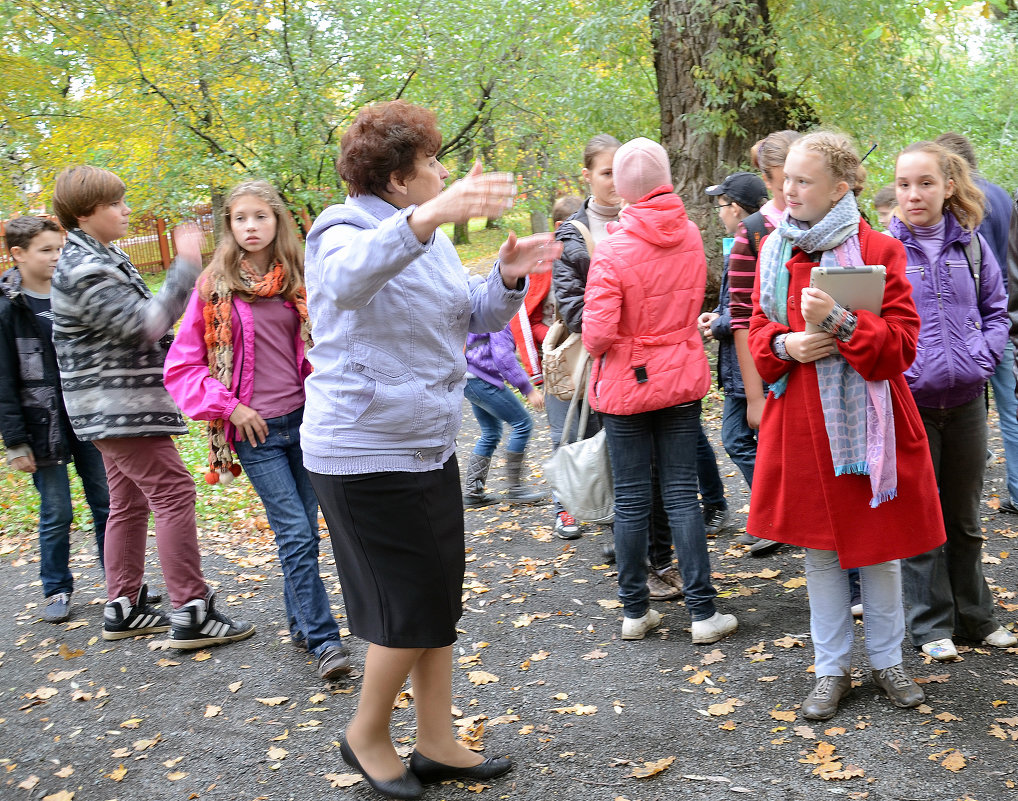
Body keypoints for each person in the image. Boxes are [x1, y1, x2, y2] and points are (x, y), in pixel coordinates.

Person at [300, 100, 558, 799]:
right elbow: (352, 279)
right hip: (362, 452)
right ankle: (366, 732)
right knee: (406, 607)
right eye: (432, 164)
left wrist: (506, 277)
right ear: (396, 179)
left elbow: (467, 316)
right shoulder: (340, 229)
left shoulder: (428, 235)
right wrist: (432, 215)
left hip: (425, 444)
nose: (443, 173)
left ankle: (437, 739)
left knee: (438, 601)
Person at [748, 131, 947, 720]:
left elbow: (902, 348)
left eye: (803, 182)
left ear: (840, 189)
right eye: (786, 181)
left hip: (871, 426)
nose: (789, 191)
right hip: (801, 425)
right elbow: (758, 334)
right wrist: (787, 344)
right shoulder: (774, 251)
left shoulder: (880, 248)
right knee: (821, 555)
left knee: (880, 551)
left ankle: (888, 662)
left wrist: (838, 321)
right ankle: (831, 670)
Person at [49, 165, 255, 650]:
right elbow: (146, 324)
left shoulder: (101, 258)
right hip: (118, 410)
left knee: (128, 501)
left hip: (116, 409)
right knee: (174, 493)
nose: (126, 210)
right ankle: (192, 610)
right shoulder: (85, 269)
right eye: (116, 204)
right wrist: (185, 265)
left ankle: (123, 606)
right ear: (85, 213)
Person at [163, 180, 349, 681]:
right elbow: (182, 367)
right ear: (229, 226)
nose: (251, 226)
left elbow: (332, 343)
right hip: (257, 434)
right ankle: (325, 640)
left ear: (278, 221)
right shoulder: (214, 286)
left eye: (260, 216)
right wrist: (231, 408)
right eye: (240, 218)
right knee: (294, 531)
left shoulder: (301, 279)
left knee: (305, 531)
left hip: (308, 425)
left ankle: (300, 622)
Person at [582, 137, 739, 645]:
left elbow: (597, 335)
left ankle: (635, 610)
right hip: (680, 375)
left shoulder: (613, 248)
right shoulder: (692, 234)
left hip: (628, 383)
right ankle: (702, 613)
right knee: (682, 496)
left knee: (630, 499)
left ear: (625, 188)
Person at [891, 140, 1017, 660]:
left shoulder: (971, 246)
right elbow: (875, 327)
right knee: (923, 517)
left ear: (948, 187)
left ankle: (976, 616)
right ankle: (929, 624)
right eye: (903, 184)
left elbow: (997, 308)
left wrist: (982, 357)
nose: (913, 194)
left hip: (966, 399)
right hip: (912, 403)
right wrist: (909, 367)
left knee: (964, 517)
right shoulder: (884, 251)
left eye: (925, 183)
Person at [0, 216, 109, 623]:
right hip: (40, 429)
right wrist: (15, 442)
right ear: (18, 254)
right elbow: (4, 381)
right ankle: (56, 588)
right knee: (57, 509)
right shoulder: (8, 309)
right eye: (46, 250)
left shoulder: (70, 294)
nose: (56, 257)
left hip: (89, 419)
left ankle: (119, 585)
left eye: (59, 248)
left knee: (107, 503)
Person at [934, 132, 1018, 516]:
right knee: (1010, 407)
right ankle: (1015, 488)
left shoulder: (964, 201)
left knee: (969, 403)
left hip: (973, 322)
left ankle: (969, 471)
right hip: (1004, 314)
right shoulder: (1003, 195)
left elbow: (966, 268)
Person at [728, 130, 801, 556]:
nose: (794, 184)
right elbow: (742, 321)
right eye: (786, 175)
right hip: (775, 374)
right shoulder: (753, 233)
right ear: (770, 176)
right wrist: (754, 396)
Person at [700, 172, 769, 492]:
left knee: (736, 439)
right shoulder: (741, 241)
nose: (719, 211)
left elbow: (755, 310)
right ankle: (772, 514)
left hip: (750, 365)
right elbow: (735, 302)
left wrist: (719, 324)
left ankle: (773, 513)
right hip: (739, 367)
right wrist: (715, 315)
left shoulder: (756, 242)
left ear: (736, 208)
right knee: (745, 440)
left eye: (722, 204)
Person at [461, 323, 546, 506]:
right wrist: (527, 389)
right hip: (482, 379)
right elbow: (503, 357)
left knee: (490, 433)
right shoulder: (498, 317)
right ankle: (515, 489)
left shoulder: (481, 307)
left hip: (470, 378)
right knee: (523, 423)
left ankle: (473, 493)